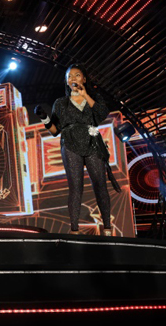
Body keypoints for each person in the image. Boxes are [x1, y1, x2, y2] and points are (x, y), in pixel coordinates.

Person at [34, 64, 113, 236]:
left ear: (84, 79)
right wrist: (44, 118)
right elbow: (55, 131)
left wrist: (85, 95)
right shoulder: (60, 103)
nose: (73, 79)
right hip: (69, 143)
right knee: (76, 187)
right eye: (69, 76)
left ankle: (107, 228)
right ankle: (74, 230)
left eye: (77, 75)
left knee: (100, 184)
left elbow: (102, 114)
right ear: (66, 81)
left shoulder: (94, 98)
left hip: (92, 141)